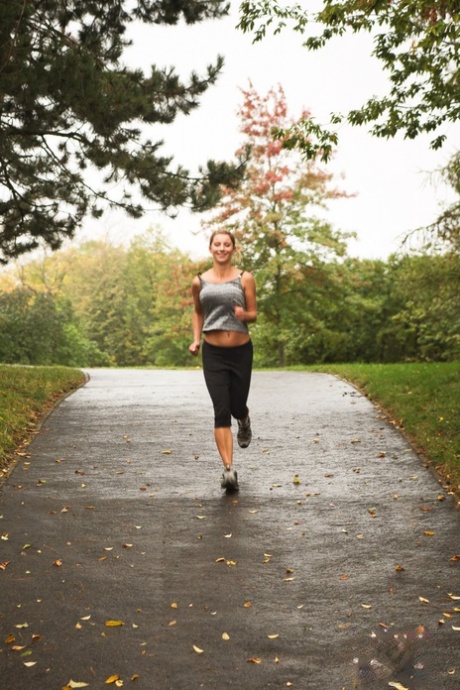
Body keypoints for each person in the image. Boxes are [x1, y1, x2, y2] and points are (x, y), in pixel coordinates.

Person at [189, 230, 257, 492]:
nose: (222, 248)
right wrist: (196, 339)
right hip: (213, 352)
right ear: (210, 248)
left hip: (241, 351)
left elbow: (254, 314)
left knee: (237, 404)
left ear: (233, 248)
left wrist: (245, 315)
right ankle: (229, 470)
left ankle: (244, 418)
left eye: (226, 244)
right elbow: (197, 312)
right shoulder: (199, 282)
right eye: (217, 244)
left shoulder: (245, 278)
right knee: (220, 410)